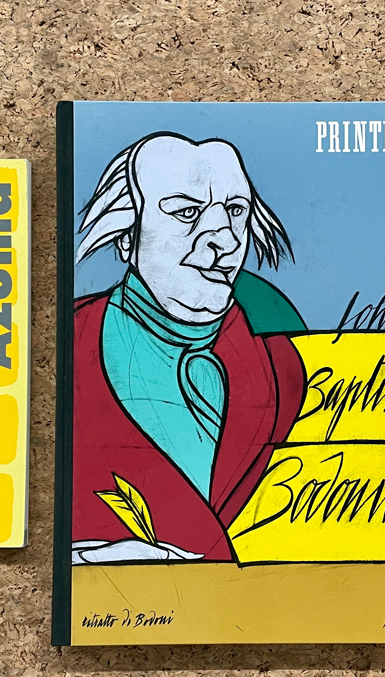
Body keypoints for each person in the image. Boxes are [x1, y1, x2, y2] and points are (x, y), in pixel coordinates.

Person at [71, 133, 306, 564]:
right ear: (127, 238)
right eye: (187, 212)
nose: (226, 241)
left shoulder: (285, 362)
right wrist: (83, 559)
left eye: (236, 211)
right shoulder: (70, 341)